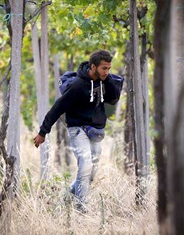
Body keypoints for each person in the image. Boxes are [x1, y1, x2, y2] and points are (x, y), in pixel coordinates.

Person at [33, 50, 123, 212]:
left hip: (94, 130)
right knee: (85, 165)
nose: (107, 72)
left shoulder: (104, 80)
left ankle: (65, 199)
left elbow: (114, 97)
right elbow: (57, 108)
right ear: (93, 66)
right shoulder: (77, 86)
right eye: (104, 68)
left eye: (109, 68)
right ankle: (81, 209)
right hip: (77, 129)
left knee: (91, 171)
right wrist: (42, 132)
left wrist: (107, 79)